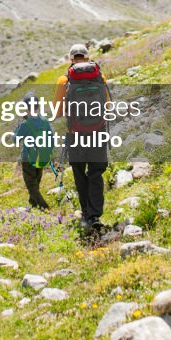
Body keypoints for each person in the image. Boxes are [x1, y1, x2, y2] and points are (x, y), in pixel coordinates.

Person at [54, 44, 111, 234]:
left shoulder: (64, 80)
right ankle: (95, 215)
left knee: (79, 171)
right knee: (96, 172)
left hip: (75, 134)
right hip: (98, 131)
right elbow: (108, 106)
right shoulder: (100, 76)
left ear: (71, 59)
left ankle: (86, 213)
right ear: (87, 58)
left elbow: (58, 112)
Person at [14, 92, 55, 211]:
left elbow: (15, 140)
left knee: (31, 184)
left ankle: (44, 206)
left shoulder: (25, 124)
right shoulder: (45, 121)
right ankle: (33, 202)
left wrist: (17, 128)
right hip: (42, 156)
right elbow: (51, 138)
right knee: (36, 180)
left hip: (28, 157)